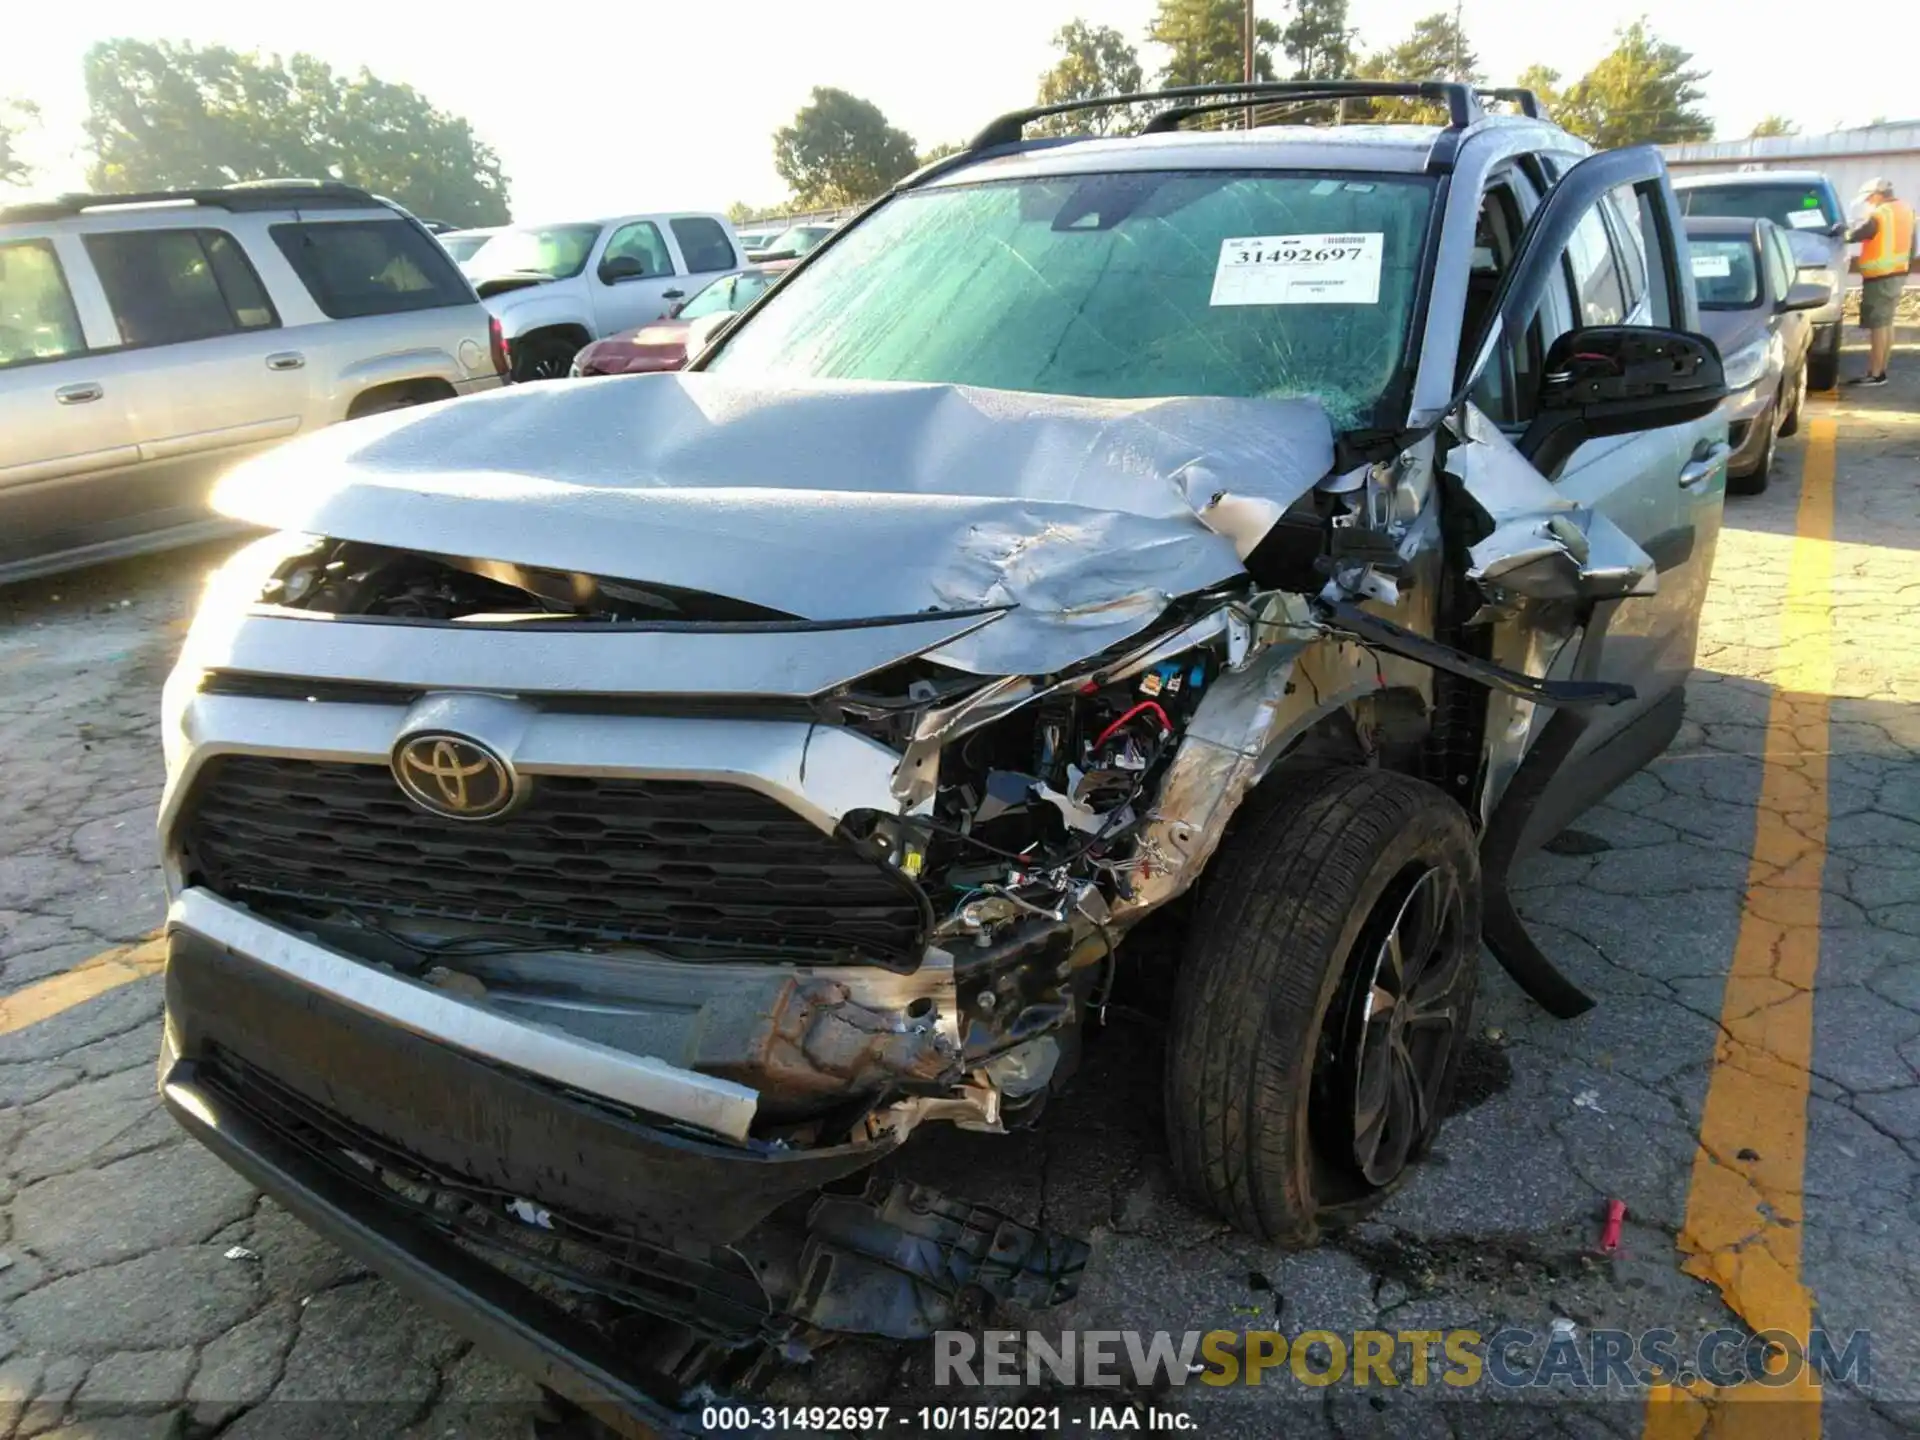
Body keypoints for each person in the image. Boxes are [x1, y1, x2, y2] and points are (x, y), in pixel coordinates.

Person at [1845, 177, 1915, 386]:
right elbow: (1913, 246)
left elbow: (1857, 235)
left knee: (1878, 326)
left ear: (1877, 194)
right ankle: (1881, 369)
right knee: (1887, 323)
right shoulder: (1906, 209)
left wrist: (1842, 233)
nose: (1869, 202)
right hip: (1897, 273)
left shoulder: (1880, 214)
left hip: (1880, 276)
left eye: (1869, 198)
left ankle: (1876, 374)